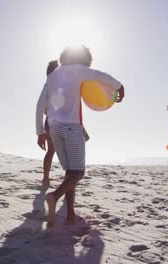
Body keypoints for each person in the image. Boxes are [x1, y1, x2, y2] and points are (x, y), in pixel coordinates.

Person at [36, 45, 125, 227]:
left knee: (70, 172)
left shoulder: (53, 75)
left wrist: (40, 132)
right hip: (72, 127)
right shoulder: (78, 70)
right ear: (83, 59)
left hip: (54, 128)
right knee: (78, 172)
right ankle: (54, 196)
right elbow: (102, 76)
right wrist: (120, 87)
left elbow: (39, 104)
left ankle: (70, 214)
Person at [41, 60, 59, 187]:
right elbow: (43, 109)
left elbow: (43, 110)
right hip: (56, 121)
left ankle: (45, 179)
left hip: (49, 121)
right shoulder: (54, 86)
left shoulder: (48, 86)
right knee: (56, 151)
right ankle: (46, 179)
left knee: (51, 151)